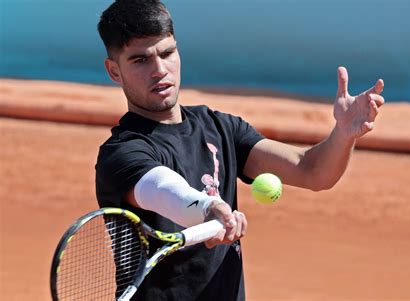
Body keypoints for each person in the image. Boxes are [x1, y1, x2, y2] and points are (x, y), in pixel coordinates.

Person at [95, 0, 385, 300]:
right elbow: (163, 190)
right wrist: (208, 208)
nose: (159, 70)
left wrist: (344, 134)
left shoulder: (220, 128)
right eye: (140, 60)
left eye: (167, 53)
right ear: (114, 71)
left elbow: (312, 171)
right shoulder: (121, 154)